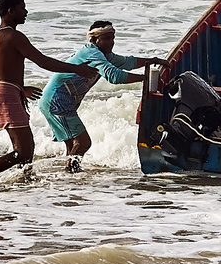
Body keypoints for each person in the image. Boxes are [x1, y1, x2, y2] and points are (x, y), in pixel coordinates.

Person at [0, 0, 93, 183]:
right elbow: (43, 62)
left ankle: (25, 183)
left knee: (25, 151)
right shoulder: (14, 36)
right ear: (10, 11)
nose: (26, 12)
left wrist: (19, 87)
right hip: (7, 94)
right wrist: (78, 69)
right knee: (23, 152)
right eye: (22, 8)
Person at [37, 20, 147, 170]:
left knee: (73, 145)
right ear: (94, 40)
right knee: (83, 143)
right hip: (57, 100)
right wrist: (144, 78)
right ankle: (70, 173)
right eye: (107, 38)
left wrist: (153, 61)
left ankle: (69, 178)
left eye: (113, 38)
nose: (111, 42)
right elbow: (114, 76)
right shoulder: (92, 53)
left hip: (56, 100)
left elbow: (127, 62)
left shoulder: (104, 55)